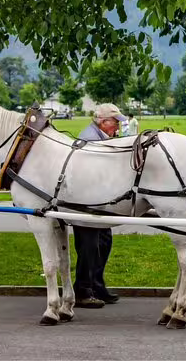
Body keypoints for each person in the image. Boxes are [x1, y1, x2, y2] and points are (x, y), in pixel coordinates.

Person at [73, 103, 127, 308]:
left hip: (96, 201)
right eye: (115, 123)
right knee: (89, 247)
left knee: (103, 242)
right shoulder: (90, 140)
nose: (118, 128)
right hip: (84, 203)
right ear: (103, 122)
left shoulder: (99, 136)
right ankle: (83, 291)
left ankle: (96, 286)